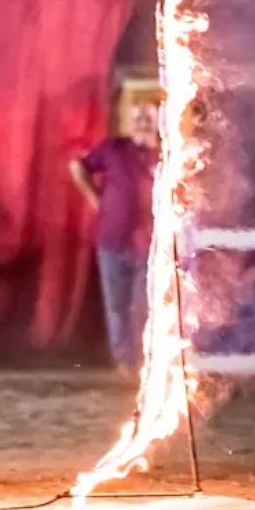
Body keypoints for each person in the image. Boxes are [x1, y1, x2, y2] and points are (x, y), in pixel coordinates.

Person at [69, 99, 159, 373]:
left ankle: (148, 359)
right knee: (117, 306)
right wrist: (95, 198)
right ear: (131, 122)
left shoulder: (166, 153)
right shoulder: (114, 148)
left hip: (149, 243)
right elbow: (77, 166)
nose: (143, 122)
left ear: (157, 121)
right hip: (112, 240)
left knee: (144, 305)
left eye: (148, 117)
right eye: (138, 117)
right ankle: (124, 362)